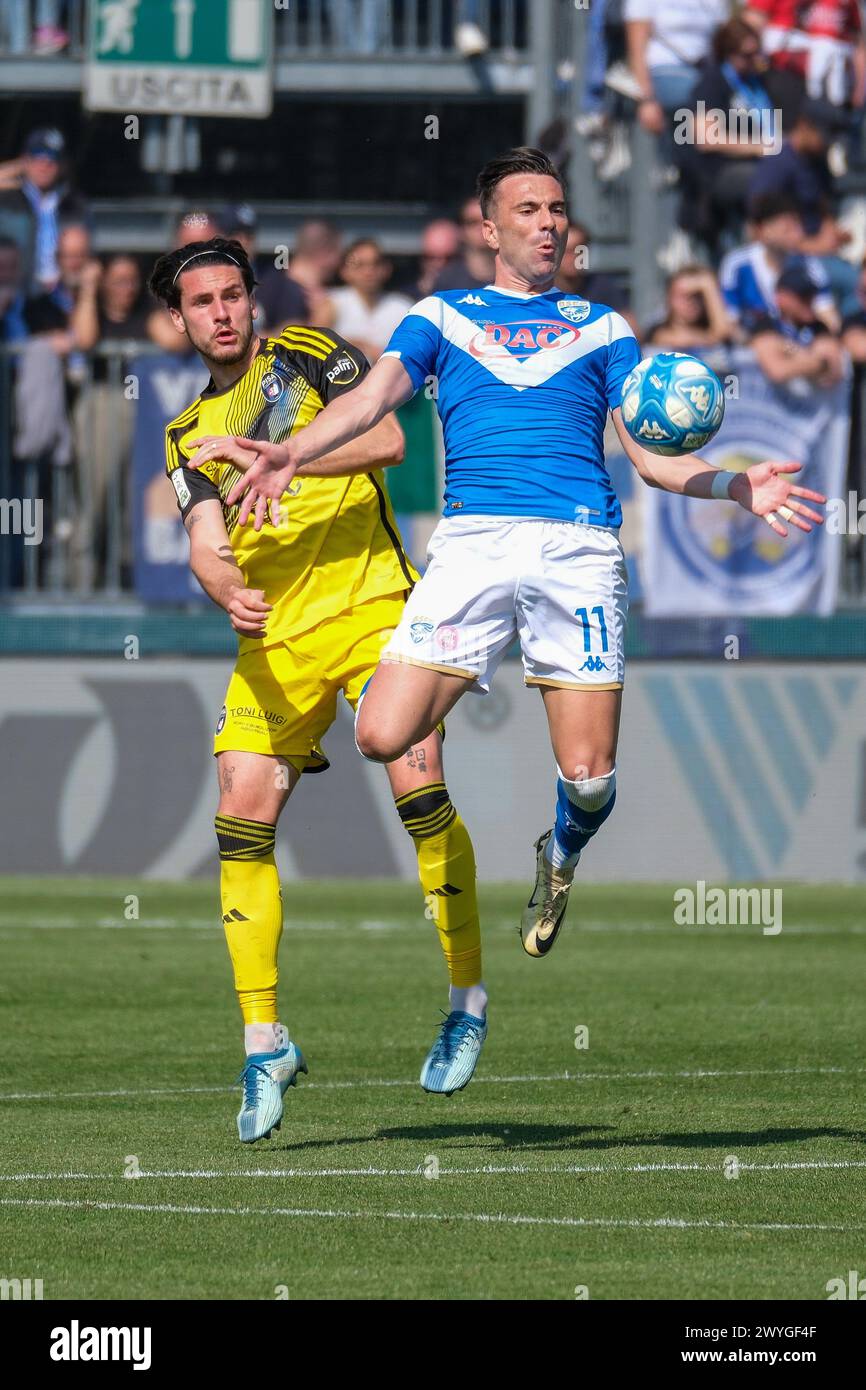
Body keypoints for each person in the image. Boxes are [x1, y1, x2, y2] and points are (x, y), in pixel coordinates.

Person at [190, 149, 825, 1054]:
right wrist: (291, 451)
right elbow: (375, 396)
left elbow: (647, 456)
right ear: (488, 228)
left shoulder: (605, 329)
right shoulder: (442, 316)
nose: (548, 221)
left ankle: (558, 852)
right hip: (475, 545)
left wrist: (732, 487)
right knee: (379, 735)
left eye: (557, 207)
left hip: (579, 550)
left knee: (592, 783)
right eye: (528, 208)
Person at [148, 237, 485, 1137]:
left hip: (374, 608)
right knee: (240, 811)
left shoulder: (308, 353)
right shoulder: (186, 433)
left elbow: (385, 438)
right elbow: (204, 541)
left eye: (231, 294)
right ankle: (265, 1043)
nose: (220, 311)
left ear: (253, 299)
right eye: (201, 302)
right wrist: (227, 589)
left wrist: (285, 454)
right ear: (178, 321)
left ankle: (466, 999)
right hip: (277, 641)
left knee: (417, 781)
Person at [720, 193, 839, 331]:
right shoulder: (737, 264)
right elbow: (730, 322)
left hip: (802, 345)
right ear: (762, 230)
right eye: (787, 228)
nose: (798, 234)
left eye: (798, 225)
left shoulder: (809, 264)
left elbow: (828, 316)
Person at [0, 127, 87, 295]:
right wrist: (18, 167)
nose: (45, 164)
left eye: (53, 158)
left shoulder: (73, 204)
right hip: (15, 290)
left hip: (60, 292)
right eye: (38, 155)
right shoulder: (8, 199)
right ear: (26, 159)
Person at [747, 261, 847, 384]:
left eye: (811, 294)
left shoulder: (818, 327)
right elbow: (777, 370)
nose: (810, 300)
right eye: (802, 295)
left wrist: (792, 352)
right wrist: (814, 361)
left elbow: (832, 371)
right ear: (781, 297)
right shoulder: (766, 324)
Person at [222, 202, 308, 333]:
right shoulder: (206, 279)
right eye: (234, 234)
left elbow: (295, 329)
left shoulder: (276, 280)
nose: (243, 240)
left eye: (249, 234)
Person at [328, 238, 412, 362]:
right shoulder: (332, 303)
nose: (369, 271)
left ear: (387, 268)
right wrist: (361, 346)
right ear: (344, 270)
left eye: (376, 263)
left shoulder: (404, 307)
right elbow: (313, 347)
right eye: (359, 265)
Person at [643, 265, 738, 348]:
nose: (691, 302)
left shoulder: (709, 327)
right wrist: (708, 283)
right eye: (684, 295)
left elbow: (727, 333)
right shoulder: (660, 334)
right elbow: (719, 336)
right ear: (669, 298)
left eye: (698, 295)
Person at [432, 197, 495, 291]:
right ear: (462, 230)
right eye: (473, 222)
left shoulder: (516, 276)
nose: (482, 227)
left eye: (487, 221)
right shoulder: (447, 280)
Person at [401, 219, 461, 301]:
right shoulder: (403, 298)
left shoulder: (472, 296)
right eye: (431, 257)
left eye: (448, 258)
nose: (439, 264)